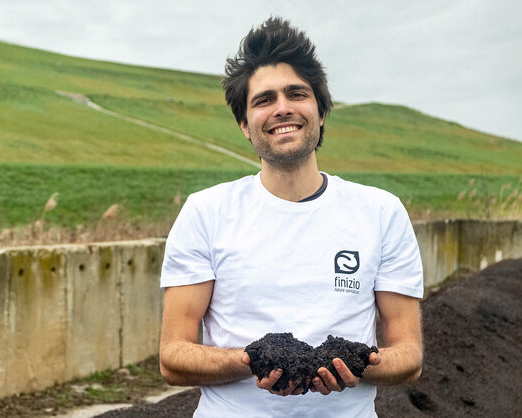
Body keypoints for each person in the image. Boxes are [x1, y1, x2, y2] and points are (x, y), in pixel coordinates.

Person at [158, 17, 424, 417]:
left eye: (296, 94)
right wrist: (249, 360)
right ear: (245, 125)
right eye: (264, 100)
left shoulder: (381, 213)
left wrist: (359, 363)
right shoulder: (206, 213)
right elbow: (172, 357)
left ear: (320, 112)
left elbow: (409, 355)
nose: (282, 108)